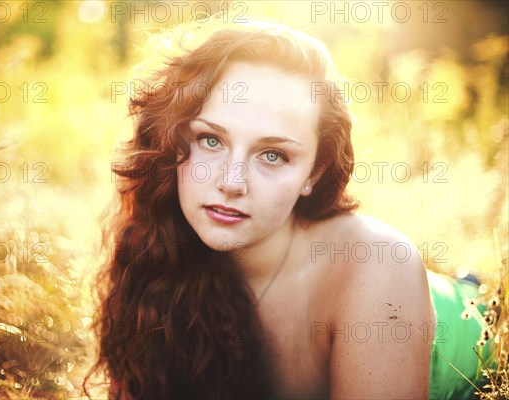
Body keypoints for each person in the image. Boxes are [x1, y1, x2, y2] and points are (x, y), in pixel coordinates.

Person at [87, 18, 485, 399]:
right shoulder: (156, 244)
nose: (231, 181)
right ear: (171, 139)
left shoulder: (378, 264)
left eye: (273, 155)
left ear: (314, 172)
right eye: (210, 140)